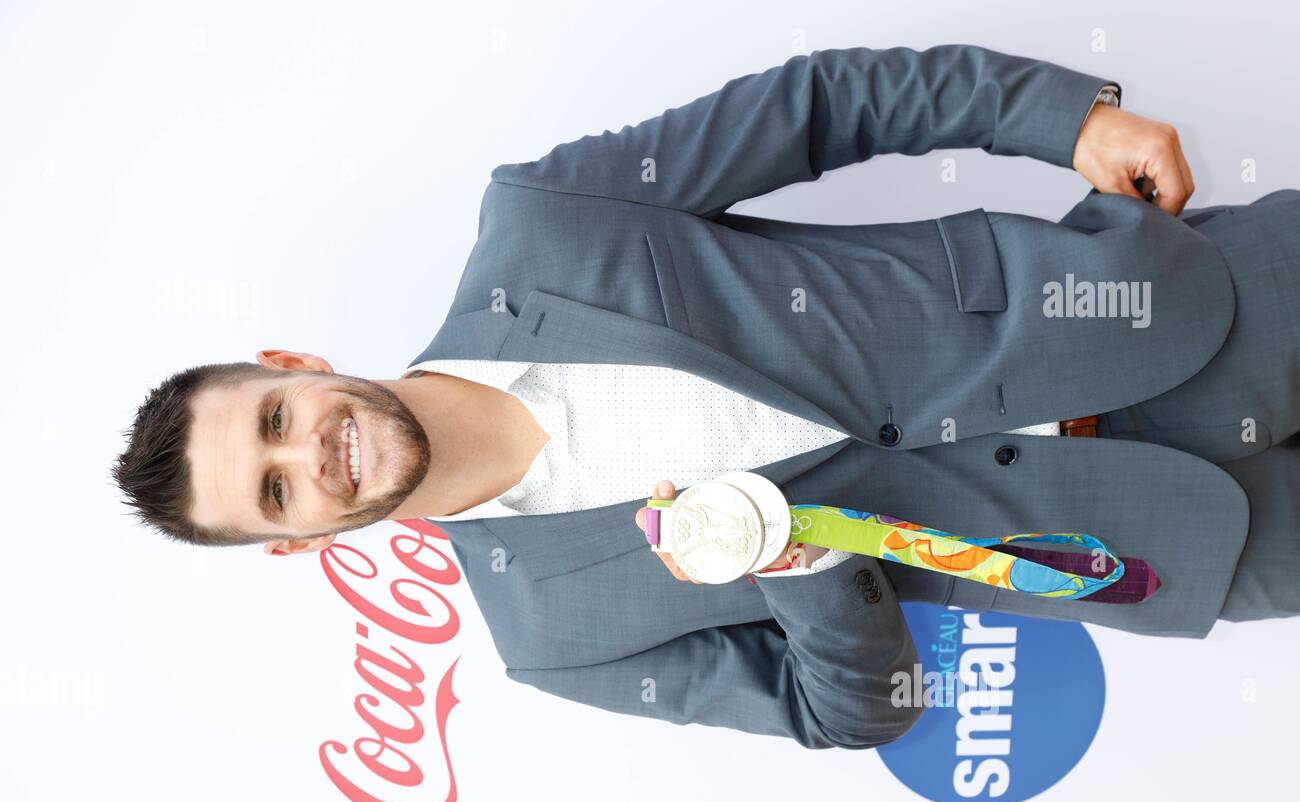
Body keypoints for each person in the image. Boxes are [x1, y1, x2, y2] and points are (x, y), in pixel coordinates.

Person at [113, 45, 1300, 751]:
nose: (311, 456)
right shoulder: (554, 641)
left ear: (293, 368)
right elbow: (864, 709)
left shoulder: (542, 225)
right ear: (291, 544)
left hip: (1186, 300)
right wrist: (797, 568)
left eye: (274, 421)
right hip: (1157, 543)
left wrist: (1060, 117)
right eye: (274, 493)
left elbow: (821, 106)